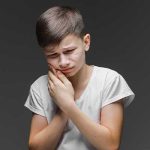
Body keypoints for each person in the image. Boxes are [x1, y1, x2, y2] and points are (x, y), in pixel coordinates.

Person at [24, 6, 135, 150]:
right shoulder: (39, 87)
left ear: (86, 42)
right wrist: (62, 112)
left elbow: (110, 145)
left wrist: (68, 105)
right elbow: (36, 148)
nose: (63, 62)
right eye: (52, 55)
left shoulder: (109, 81)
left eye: (69, 51)